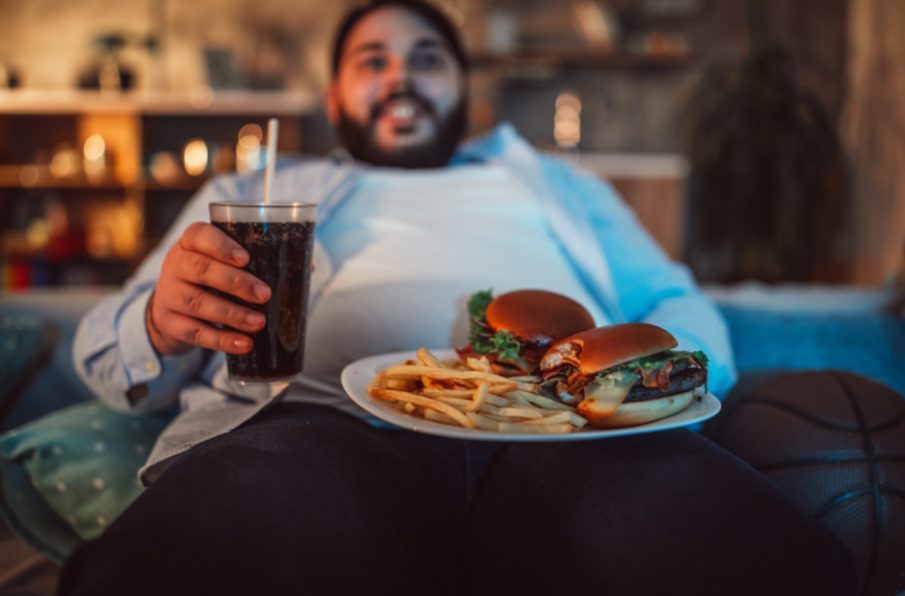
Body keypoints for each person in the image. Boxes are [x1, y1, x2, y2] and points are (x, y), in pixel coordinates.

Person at [59, 1, 856, 594]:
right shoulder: (254, 190)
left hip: (568, 436)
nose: (400, 74)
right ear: (336, 99)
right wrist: (161, 325)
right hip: (308, 430)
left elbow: (675, 304)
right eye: (372, 60)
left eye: (427, 58)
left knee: (722, 546)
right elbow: (101, 348)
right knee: (216, 546)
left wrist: (658, 385)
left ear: (460, 90)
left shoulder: (557, 185)